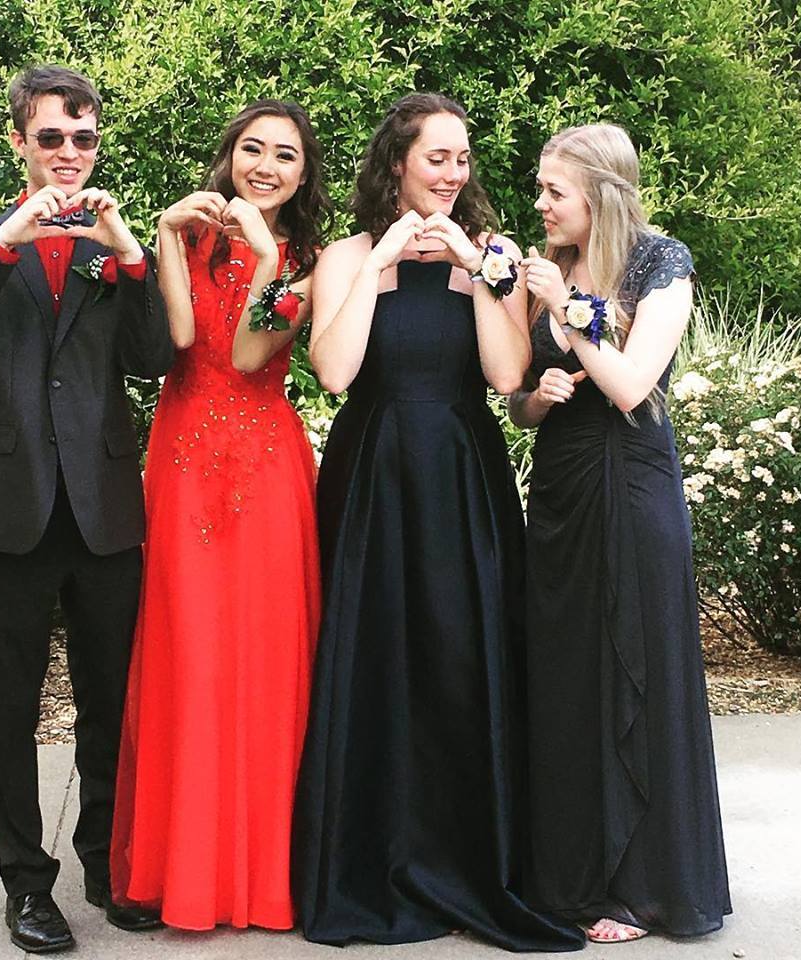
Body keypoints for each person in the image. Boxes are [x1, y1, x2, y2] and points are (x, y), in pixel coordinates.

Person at [290, 92, 585, 951]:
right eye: (436, 159)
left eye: (462, 160)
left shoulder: (490, 251)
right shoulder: (345, 255)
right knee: (378, 656)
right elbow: (337, 374)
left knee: (462, 655)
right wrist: (383, 260)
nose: (454, 174)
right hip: (374, 470)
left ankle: (468, 854)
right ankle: (371, 856)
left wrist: (477, 269)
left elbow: (504, 376)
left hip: (460, 471)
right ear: (396, 165)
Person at [0, 65, 174, 953]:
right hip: (8, 509)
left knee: (110, 702)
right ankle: (28, 885)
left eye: (85, 137)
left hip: (103, 511)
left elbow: (149, 361)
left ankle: (106, 865)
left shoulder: (113, 251)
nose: (70, 153)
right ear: (19, 141)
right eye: (52, 136)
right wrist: (6, 241)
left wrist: (133, 255)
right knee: (11, 710)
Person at [509, 123, 732, 943]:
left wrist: (571, 322)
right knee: (569, 675)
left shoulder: (661, 262)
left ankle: (641, 887)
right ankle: (574, 871)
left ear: (600, 193)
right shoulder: (552, 270)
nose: (540, 203)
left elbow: (636, 385)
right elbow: (521, 404)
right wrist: (542, 395)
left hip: (632, 486)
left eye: (553, 190)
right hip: (562, 489)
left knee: (634, 665)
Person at [109, 100, 327, 930]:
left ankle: (264, 874)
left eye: (285, 156)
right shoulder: (193, 235)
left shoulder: (312, 261)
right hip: (180, 454)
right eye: (252, 149)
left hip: (266, 466)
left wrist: (268, 255)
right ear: (229, 155)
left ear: (304, 176)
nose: (265, 166)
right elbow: (179, 334)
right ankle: (180, 871)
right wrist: (166, 236)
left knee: (265, 657)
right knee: (186, 652)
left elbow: (246, 350)